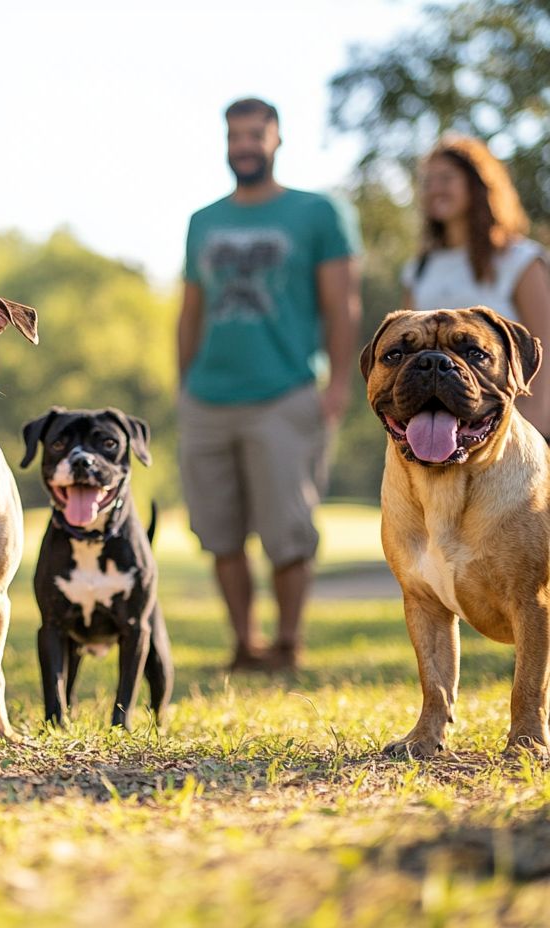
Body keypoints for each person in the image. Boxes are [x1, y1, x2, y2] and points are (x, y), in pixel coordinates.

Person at [176, 98, 362, 673]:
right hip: (208, 397)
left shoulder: (317, 213)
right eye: (235, 136)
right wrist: (185, 386)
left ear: (277, 140)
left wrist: (337, 386)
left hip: (286, 391)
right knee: (218, 530)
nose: (245, 146)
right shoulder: (203, 220)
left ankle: (287, 643)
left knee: (288, 530)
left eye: (257, 135)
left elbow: (342, 305)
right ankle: (244, 643)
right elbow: (191, 311)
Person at [402, 134, 550, 436]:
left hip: (513, 429)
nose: (434, 190)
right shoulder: (418, 270)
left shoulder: (520, 258)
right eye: (427, 182)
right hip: (444, 433)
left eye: (446, 178)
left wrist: (535, 427)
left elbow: (545, 344)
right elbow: (408, 348)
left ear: (477, 184)